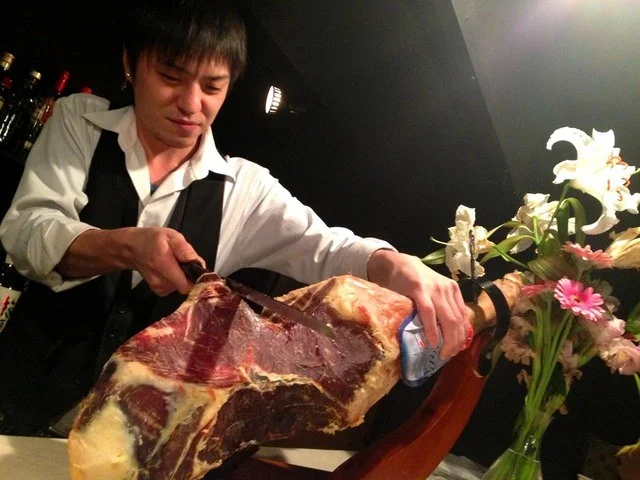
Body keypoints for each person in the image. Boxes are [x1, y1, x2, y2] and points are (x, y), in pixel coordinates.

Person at [0, 0, 472, 436]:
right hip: (19, 403)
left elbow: (327, 247)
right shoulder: (82, 123)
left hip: (133, 434)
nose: (191, 104)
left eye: (212, 86)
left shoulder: (243, 188)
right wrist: (127, 246)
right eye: (170, 76)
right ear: (130, 63)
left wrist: (394, 263)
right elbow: (27, 230)